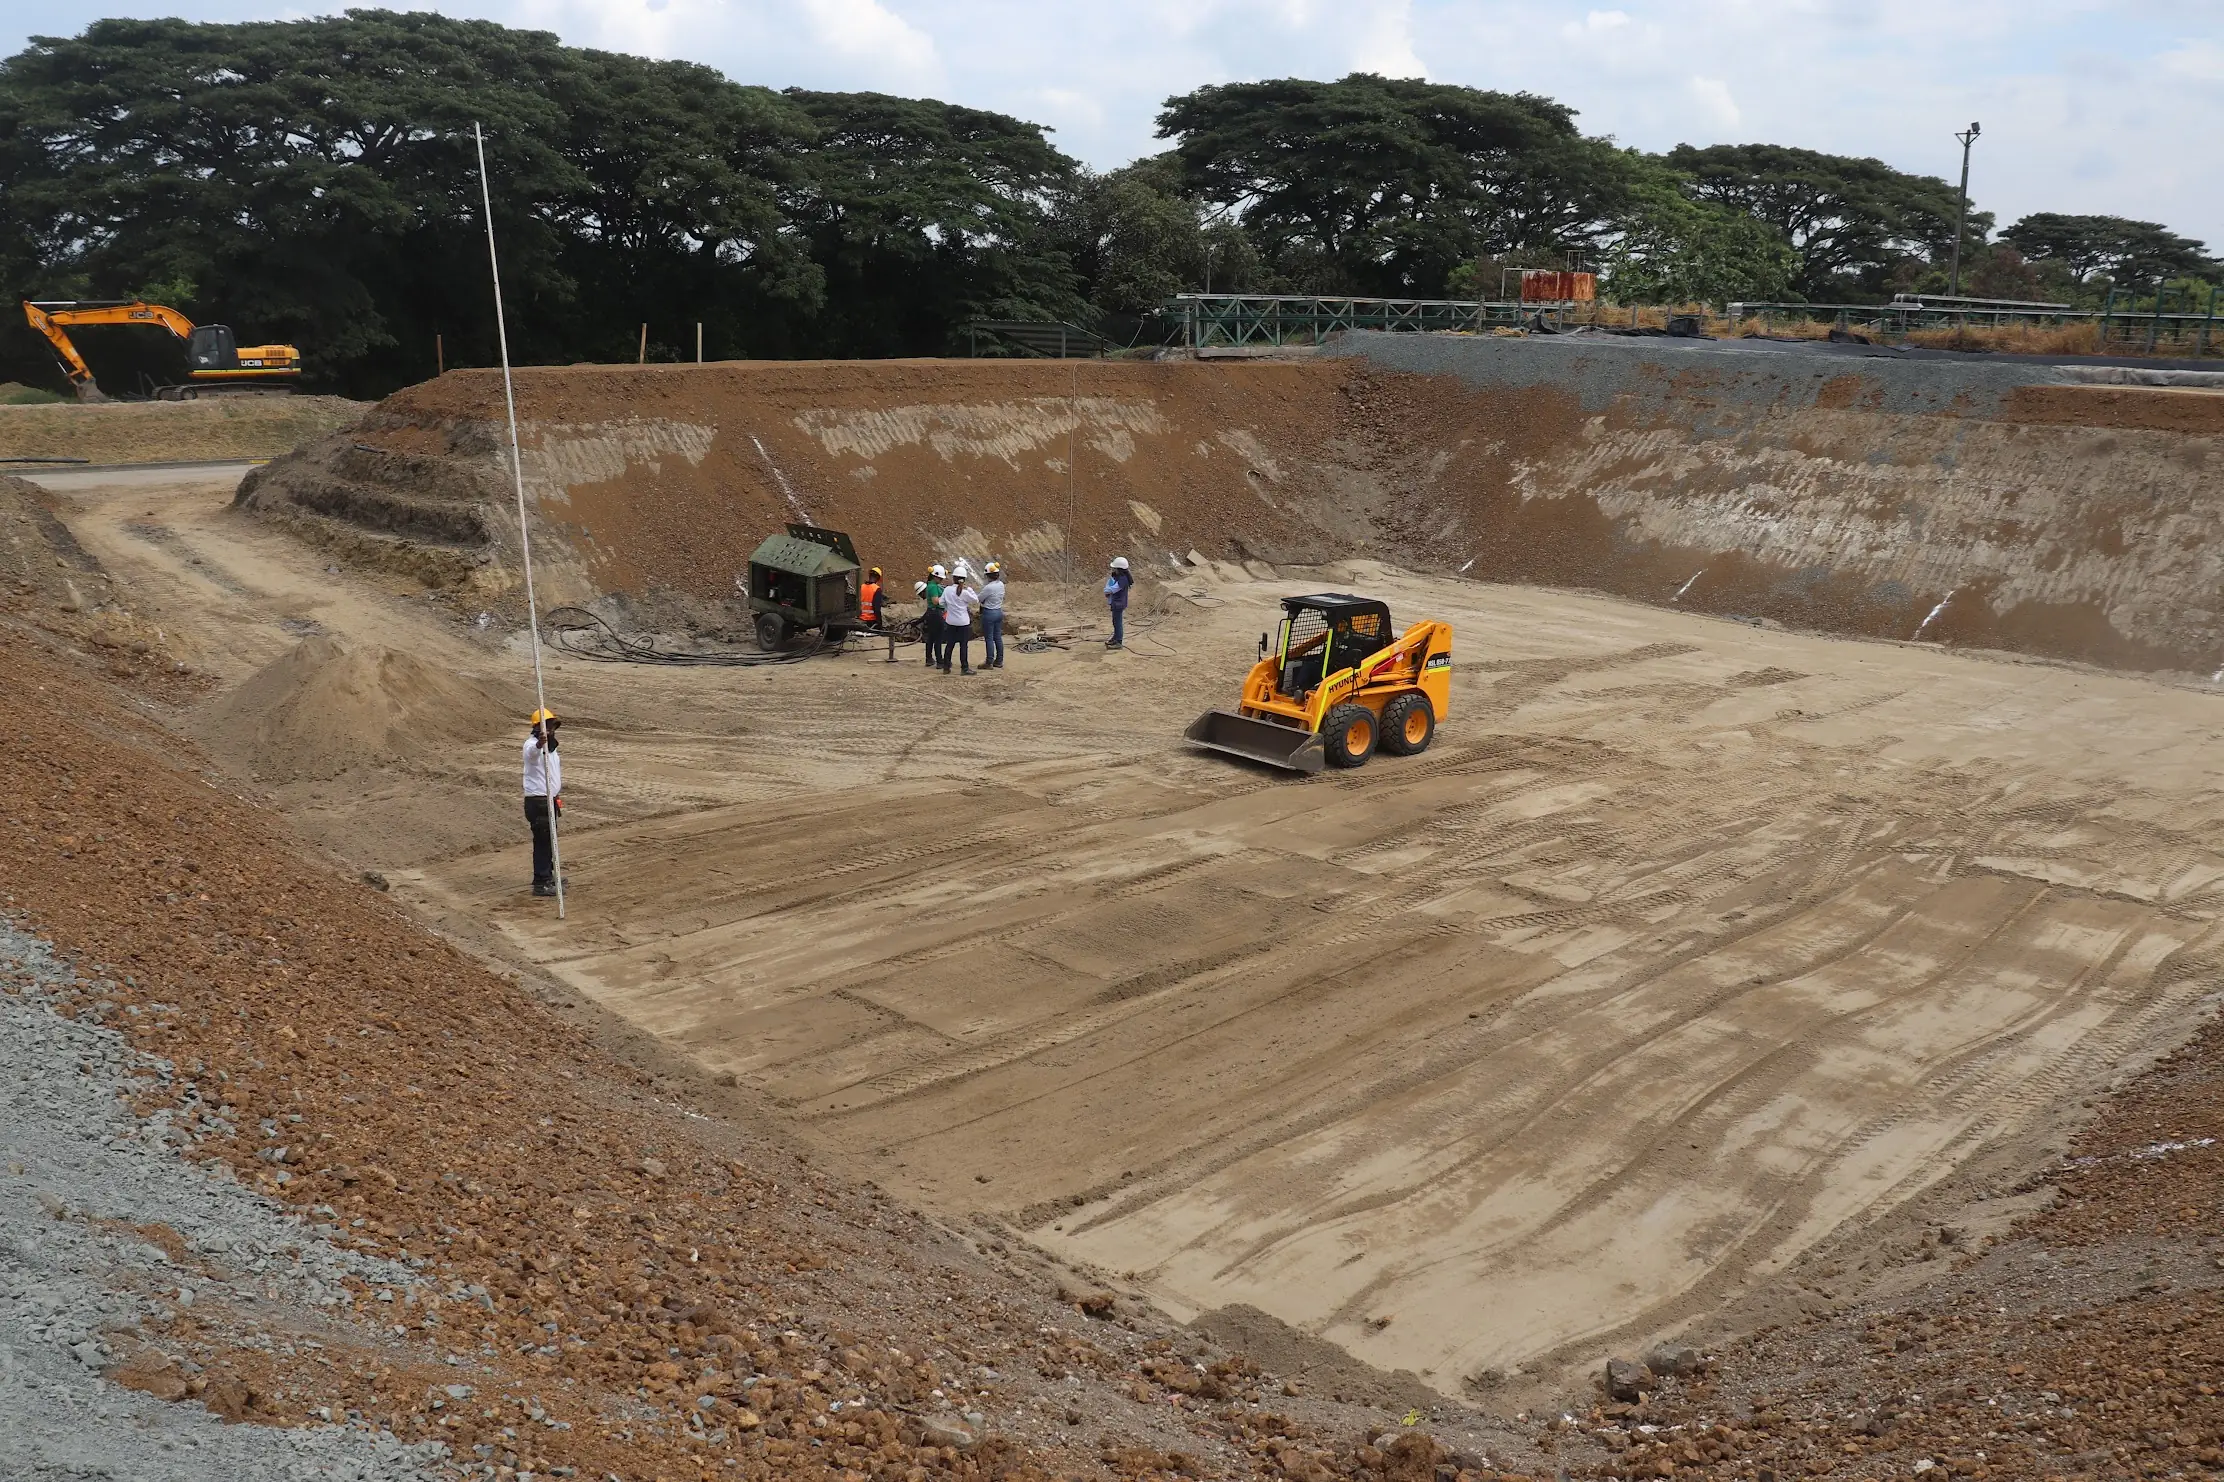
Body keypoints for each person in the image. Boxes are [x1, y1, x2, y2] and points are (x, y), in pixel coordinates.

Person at [522, 708, 563, 898]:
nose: (551, 729)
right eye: (548, 725)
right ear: (538, 727)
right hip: (538, 801)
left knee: (549, 840)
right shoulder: (531, 745)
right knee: (543, 842)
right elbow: (532, 753)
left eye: (553, 725)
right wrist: (540, 743)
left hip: (549, 800)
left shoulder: (552, 748)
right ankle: (541, 882)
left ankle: (548, 875)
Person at [940, 571, 980, 675]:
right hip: (963, 623)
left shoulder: (947, 590)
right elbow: (976, 600)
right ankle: (964, 668)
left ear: (954, 578)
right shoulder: (965, 592)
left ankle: (946, 667)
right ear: (964, 579)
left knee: (950, 645)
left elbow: (941, 602)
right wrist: (970, 589)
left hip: (951, 621)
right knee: (963, 646)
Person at [978, 560, 1007, 669]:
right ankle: (999, 661)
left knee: (989, 638)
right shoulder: (1001, 585)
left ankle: (989, 661)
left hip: (989, 613)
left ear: (988, 575)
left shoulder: (989, 587)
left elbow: (979, 599)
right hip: (998, 612)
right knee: (998, 637)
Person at [1104, 555, 1132, 649]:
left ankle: (1118, 641)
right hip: (1116, 603)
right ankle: (1115, 638)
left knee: (1118, 622)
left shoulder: (1122, 580)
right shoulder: (1119, 577)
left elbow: (1113, 589)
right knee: (1115, 621)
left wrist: (1107, 590)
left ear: (1119, 569)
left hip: (1119, 604)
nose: (1113, 570)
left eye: (1115, 568)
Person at [921, 565, 946, 669]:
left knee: (931, 637)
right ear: (935, 576)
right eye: (940, 578)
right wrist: (945, 599)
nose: (941, 580)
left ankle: (929, 659)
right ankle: (940, 661)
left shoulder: (931, 585)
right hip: (936, 614)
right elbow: (936, 601)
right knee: (938, 638)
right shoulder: (933, 587)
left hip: (931, 614)